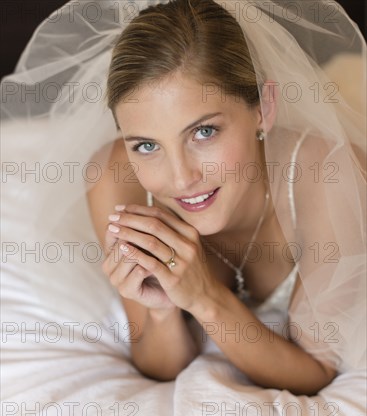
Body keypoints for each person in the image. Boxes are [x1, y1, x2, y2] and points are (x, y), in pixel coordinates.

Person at [2, 0, 366, 395]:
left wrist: (205, 297)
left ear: (264, 107)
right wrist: (162, 312)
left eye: (204, 132)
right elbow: (158, 364)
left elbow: (313, 371)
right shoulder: (116, 180)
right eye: (145, 145)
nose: (180, 178)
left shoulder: (329, 175)